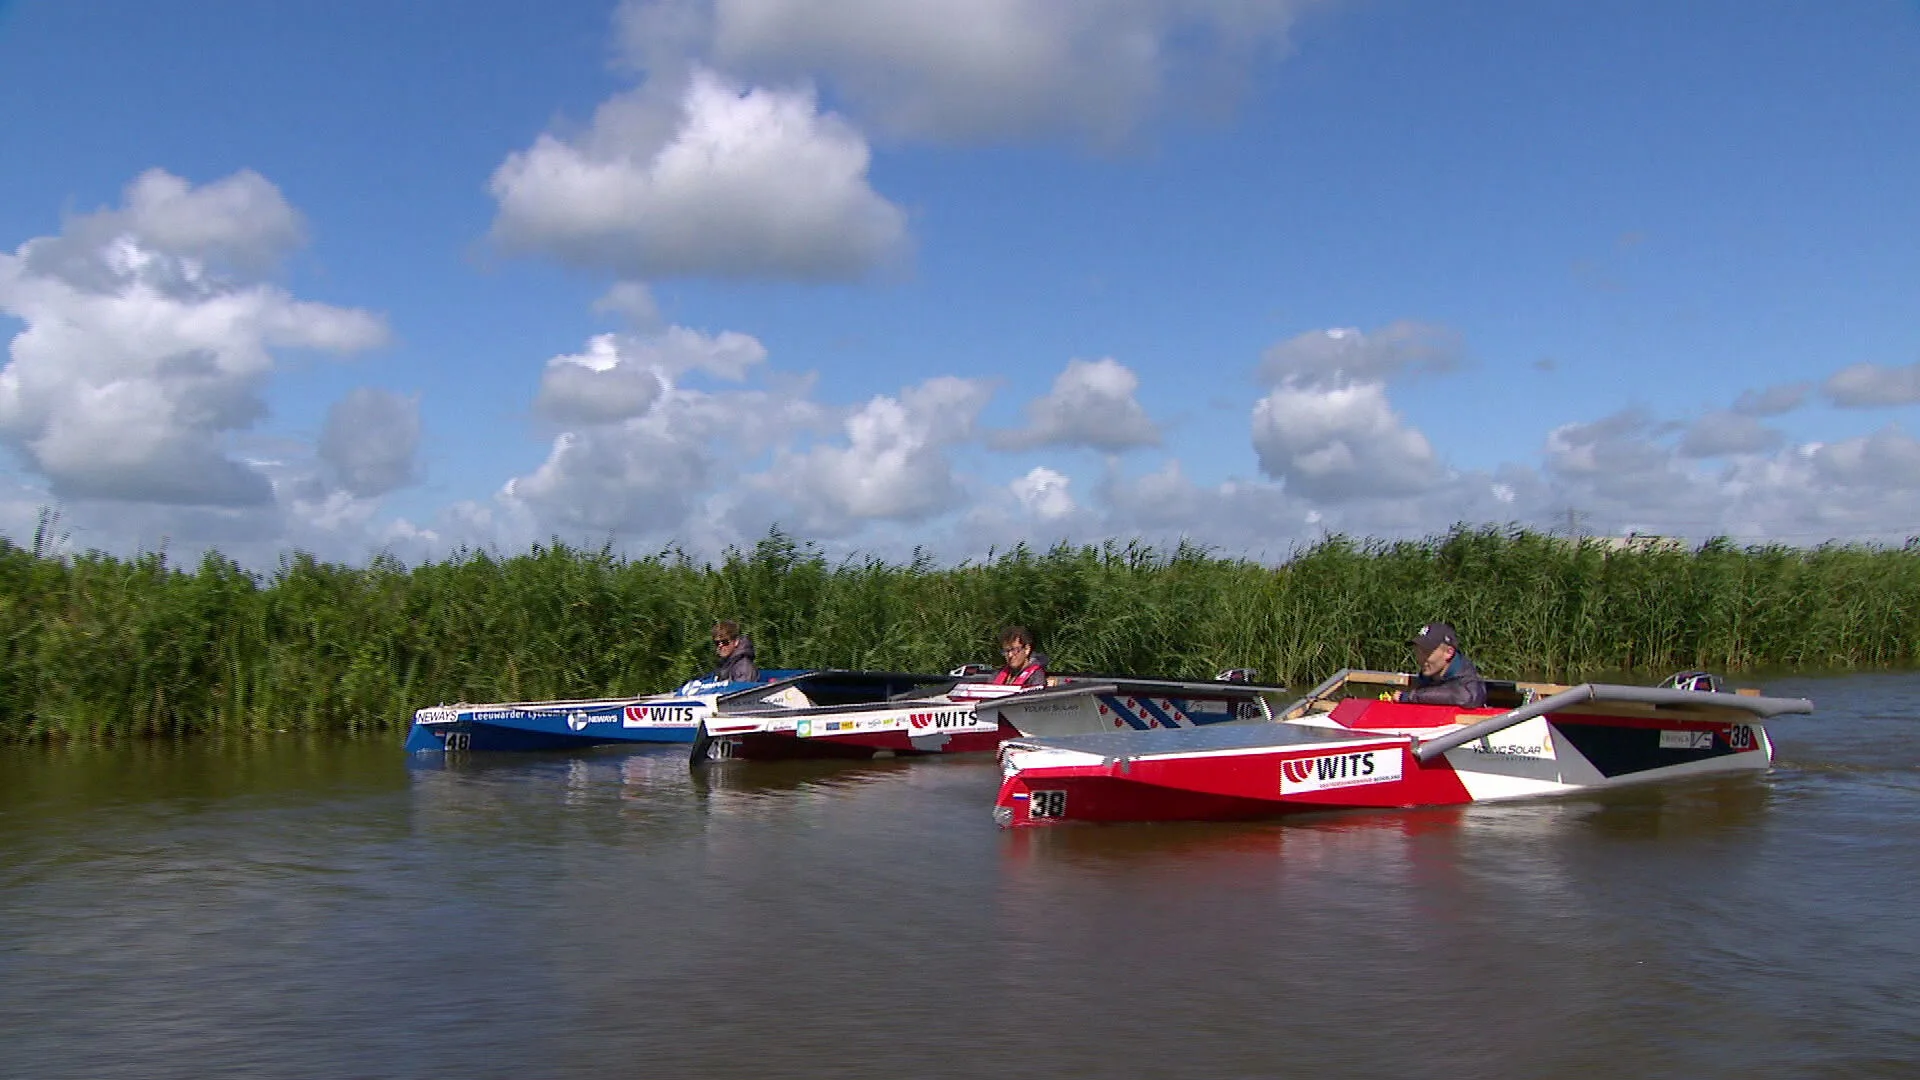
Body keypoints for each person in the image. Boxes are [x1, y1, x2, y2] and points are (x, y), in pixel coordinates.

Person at [1396, 621, 1487, 707]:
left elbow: (1466, 697)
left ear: (1448, 653)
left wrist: (1411, 697)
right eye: (1417, 651)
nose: (1419, 658)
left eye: (1426, 652)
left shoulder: (1468, 682)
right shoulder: (1431, 673)